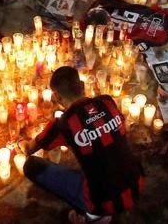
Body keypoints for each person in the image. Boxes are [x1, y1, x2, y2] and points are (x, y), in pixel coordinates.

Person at [20, 66, 143, 224]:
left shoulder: (64, 124)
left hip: (103, 200)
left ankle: (94, 217)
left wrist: (21, 143)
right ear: (82, 85)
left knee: (31, 166)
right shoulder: (107, 101)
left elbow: (30, 149)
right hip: (136, 184)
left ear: (56, 97)